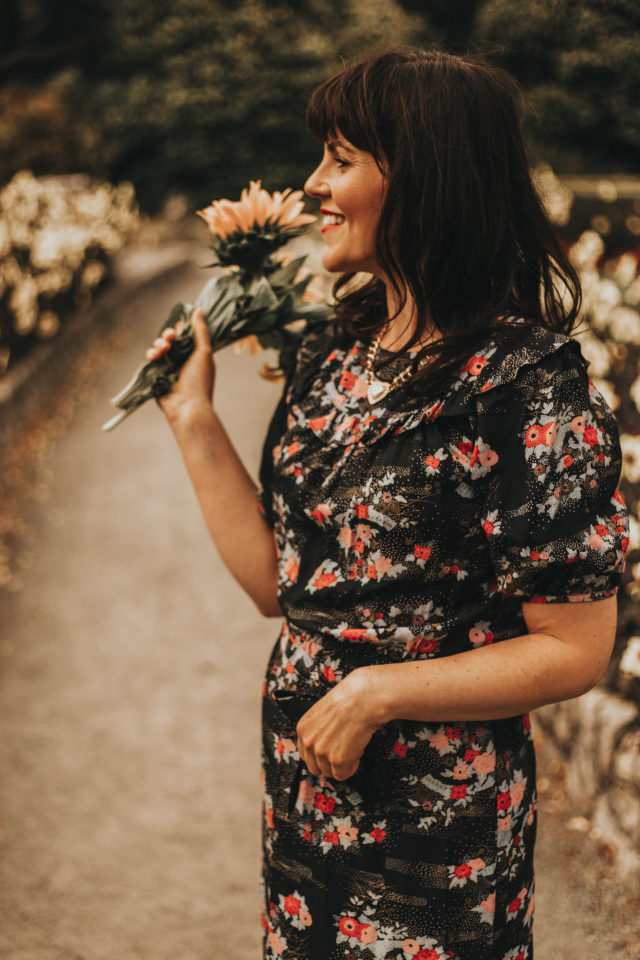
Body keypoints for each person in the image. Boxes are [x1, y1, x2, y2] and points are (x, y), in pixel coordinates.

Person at [148, 48, 629, 960]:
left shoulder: (527, 386)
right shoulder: (336, 351)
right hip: (307, 801)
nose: (312, 185)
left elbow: (577, 649)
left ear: (426, 176)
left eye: (340, 157)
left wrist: (378, 692)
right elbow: (280, 587)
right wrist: (193, 418)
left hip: (438, 835)